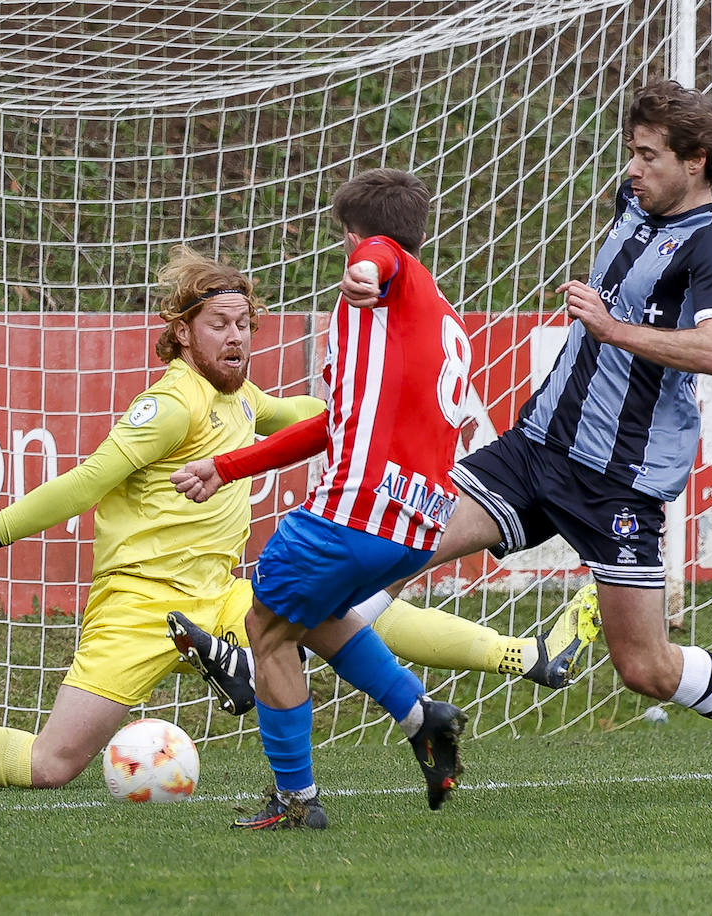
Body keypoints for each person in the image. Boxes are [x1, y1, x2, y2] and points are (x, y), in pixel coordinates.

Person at [187, 82, 712, 796]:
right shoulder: (635, 205)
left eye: (649, 158)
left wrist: (612, 329)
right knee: (400, 543)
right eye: (632, 154)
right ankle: (297, 666)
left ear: (698, 160)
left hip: (617, 481)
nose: (632, 170)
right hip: (534, 450)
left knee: (645, 668)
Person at [0, 245, 590, 796]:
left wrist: (412, 403)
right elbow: (87, 482)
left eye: (246, 324)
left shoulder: (242, 400)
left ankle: (512, 657)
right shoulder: (168, 405)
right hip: (136, 604)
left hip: (216, 588)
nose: (236, 337)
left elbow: (322, 416)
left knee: (332, 615)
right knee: (52, 767)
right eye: (219, 323)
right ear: (183, 331)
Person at [176, 167, 481, 831]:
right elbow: (330, 424)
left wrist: (367, 270)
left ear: (351, 234)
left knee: (266, 631)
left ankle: (297, 801)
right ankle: (421, 717)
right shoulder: (438, 320)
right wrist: (226, 467)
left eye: (350, 243)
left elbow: (378, 256)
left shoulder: (382, 271)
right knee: (310, 615)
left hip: (353, 510)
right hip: (416, 524)